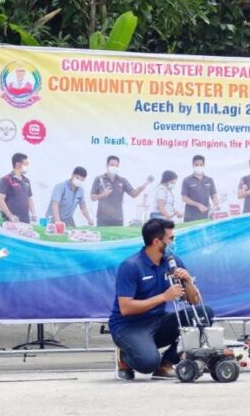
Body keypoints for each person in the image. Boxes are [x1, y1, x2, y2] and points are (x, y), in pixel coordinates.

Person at [108, 218, 214, 381]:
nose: (173, 242)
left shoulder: (172, 261)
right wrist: (164, 297)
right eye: (171, 239)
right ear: (157, 242)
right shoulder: (131, 266)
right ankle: (125, 357)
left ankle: (166, 363)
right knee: (147, 363)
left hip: (158, 321)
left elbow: (193, 301)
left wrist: (188, 282)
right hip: (129, 326)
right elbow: (126, 308)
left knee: (204, 314)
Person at [90, 156, 152, 226]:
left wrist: (143, 185)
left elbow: (133, 194)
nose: (114, 167)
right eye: (112, 165)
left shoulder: (122, 180)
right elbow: (92, 197)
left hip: (118, 219)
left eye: (116, 165)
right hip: (103, 219)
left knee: (118, 237)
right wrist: (102, 195)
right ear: (107, 165)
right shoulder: (99, 179)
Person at [0, 153, 36, 223]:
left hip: (25, 220)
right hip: (11, 221)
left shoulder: (26, 180)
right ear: (17, 164)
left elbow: (29, 198)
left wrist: (33, 213)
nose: (27, 166)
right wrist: (10, 216)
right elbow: (0, 200)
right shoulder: (6, 179)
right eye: (26, 164)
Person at [181, 155, 219, 222]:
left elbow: (213, 195)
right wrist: (198, 205)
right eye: (196, 165)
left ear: (204, 165)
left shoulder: (209, 180)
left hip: (206, 216)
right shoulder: (187, 180)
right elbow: (184, 198)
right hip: (191, 217)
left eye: (201, 165)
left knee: (207, 232)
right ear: (193, 165)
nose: (199, 166)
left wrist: (216, 205)